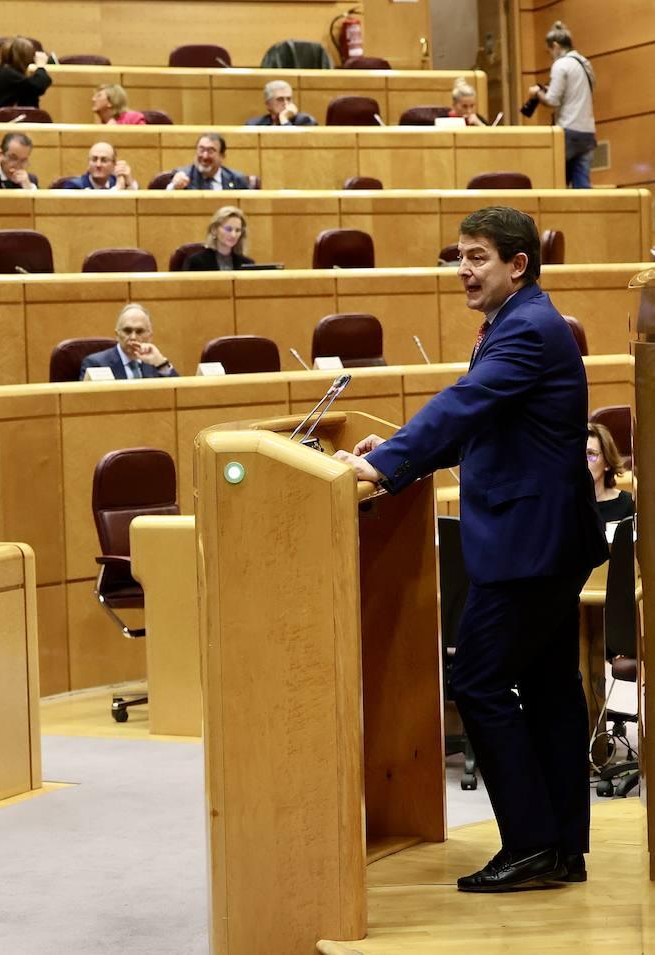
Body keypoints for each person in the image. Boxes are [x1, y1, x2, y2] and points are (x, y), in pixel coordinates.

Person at [334, 206, 607, 892]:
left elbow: (464, 404)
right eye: (459, 256)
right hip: (543, 538)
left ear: (518, 264)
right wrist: (397, 452)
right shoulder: (517, 324)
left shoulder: (527, 330)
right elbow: (480, 421)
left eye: (478, 257)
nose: (463, 270)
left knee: (479, 680)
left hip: (529, 543)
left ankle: (534, 841)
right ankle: (558, 845)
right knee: (546, 687)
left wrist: (386, 463)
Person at [528, 21, 596, 188]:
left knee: (557, 182)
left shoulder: (561, 64)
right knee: (582, 185)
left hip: (568, 130)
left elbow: (552, 100)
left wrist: (536, 92)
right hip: (587, 131)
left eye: (549, 50)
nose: (550, 55)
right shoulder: (584, 63)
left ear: (556, 46)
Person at [79, 304, 179, 380]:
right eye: (127, 331)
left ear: (150, 336)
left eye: (139, 331)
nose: (133, 337)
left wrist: (160, 362)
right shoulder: (96, 364)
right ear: (117, 334)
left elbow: (179, 394)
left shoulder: (155, 363)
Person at [0, 37, 51, 113]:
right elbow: (38, 85)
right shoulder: (8, 75)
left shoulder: (2, 70)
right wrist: (40, 66)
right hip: (8, 120)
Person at [166, 133, 249, 191]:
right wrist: (174, 187)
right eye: (201, 150)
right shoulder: (183, 176)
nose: (205, 156)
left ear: (222, 156)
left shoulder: (237, 179)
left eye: (210, 151)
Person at [587, 422, 634, 524]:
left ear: (607, 462)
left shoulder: (626, 504)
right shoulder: (563, 505)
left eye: (591, 454)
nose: (583, 461)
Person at [183, 206, 255, 271]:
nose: (233, 235)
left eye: (237, 230)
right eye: (228, 229)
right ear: (214, 230)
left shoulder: (247, 264)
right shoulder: (196, 262)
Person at [59, 142, 137, 191]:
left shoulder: (115, 181)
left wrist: (130, 183)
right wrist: (117, 190)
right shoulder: (74, 186)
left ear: (114, 164)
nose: (98, 165)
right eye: (94, 159)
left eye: (104, 160)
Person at [246, 80, 316, 127]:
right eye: (280, 99)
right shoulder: (254, 125)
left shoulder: (305, 122)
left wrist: (284, 120)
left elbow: (295, 143)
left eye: (288, 99)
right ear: (268, 104)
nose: (286, 103)